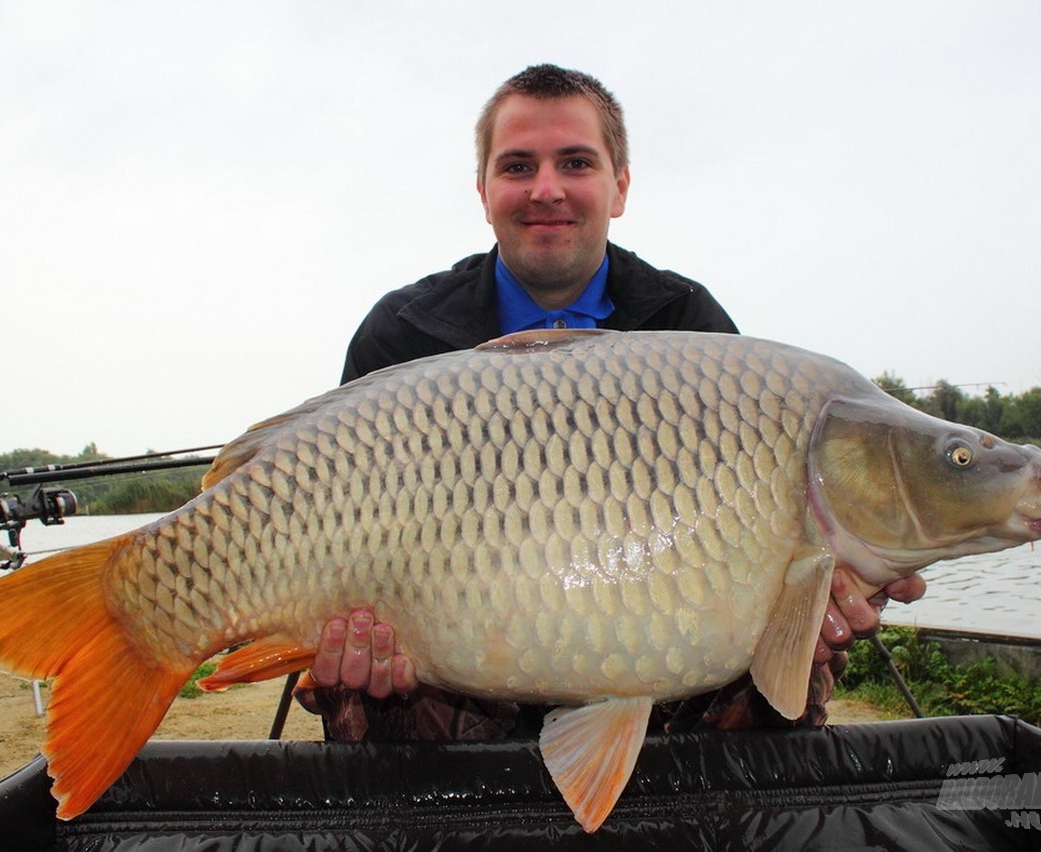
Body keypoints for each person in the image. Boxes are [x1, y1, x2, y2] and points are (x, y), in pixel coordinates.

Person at [300, 63, 926, 741]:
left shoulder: (689, 323)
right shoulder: (402, 334)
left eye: (575, 162)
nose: (546, 189)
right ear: (482, 191)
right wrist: (335, 652)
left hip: (669, 643)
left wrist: (818, 607)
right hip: (446, 655)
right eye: (517, 166)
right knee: (359, 683)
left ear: (618, 186)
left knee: (793, 660)